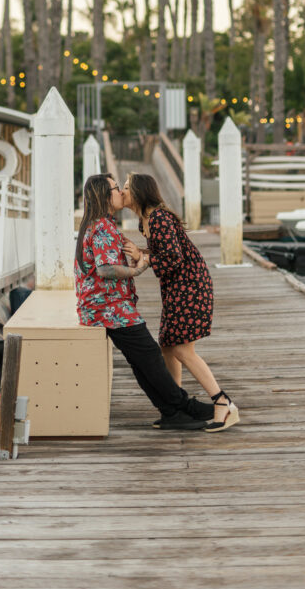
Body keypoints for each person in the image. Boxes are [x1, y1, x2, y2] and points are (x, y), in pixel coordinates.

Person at [75, 173, 213, 430]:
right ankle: (182, 406)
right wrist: (137, 270)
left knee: (141, 361)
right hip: (109, 308)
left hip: (106, 306)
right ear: (104, 195)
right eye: (116, 188)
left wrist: (141, 254)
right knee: (150, 356)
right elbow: (106, 269)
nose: (121, 192)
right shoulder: (102, 226)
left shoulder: (99, 224)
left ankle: (171, 411)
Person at [121, 172, 239, 433]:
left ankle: (223, 402)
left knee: (183, 350)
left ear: (139, 192)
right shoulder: (146, 221)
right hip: (178, 288)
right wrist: (143, 253)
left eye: (127, 187)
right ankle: (175, 408)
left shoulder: (159, 218)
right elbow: (165, 251)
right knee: (167, 346)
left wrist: (143, 257)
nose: (122, 191)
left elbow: (173, 258)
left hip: (190, 286)